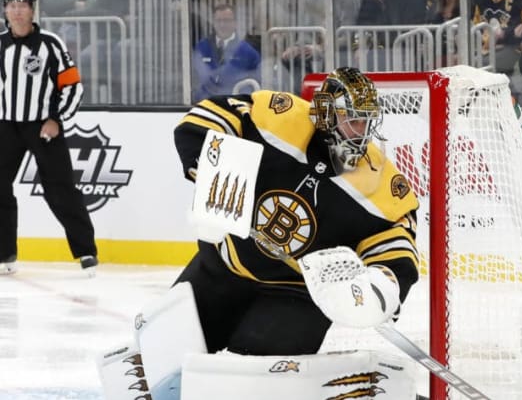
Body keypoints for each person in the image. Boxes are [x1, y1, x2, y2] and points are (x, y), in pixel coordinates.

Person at [172, 65, 419, 370]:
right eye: (352, 119)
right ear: (327, 114)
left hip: (297, 297)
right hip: (221, 270)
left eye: (366, 120)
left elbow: (395, 249)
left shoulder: (380, 184)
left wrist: (379, 289)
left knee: (255, 380)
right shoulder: (280, 118)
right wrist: (215, 180)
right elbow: (207, 118)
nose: (361, 131)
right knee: (163, 357)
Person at [0, 0, 98, 276]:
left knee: (60, 189)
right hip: (6, 125)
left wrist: (56, 119)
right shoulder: (0, 44)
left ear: (32, 10)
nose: (17, 12)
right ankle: (4, 252)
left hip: (42, 126)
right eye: (12, 6)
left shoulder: (50, 44)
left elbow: (72, 86)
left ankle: (86, 251)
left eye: (22, 6)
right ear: (6, 10)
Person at [191, 3, 261, 103]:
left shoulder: (248, 51)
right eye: (218, 21)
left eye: (227, 21)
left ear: (235, 23)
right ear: (213, 22)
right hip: (206, 105)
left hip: (234, 106)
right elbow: (194, 79)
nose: (222, 25)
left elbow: (256, 83)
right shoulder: (201, 47)